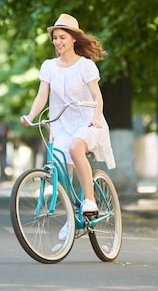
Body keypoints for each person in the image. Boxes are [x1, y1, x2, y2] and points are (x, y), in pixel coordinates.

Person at [20, 13, 116, 216]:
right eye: (55, 38)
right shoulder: (48, 66)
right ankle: (72, 220)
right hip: (61, 124)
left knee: (75, 147)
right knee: (60, 168)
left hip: (87, 122)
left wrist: (97, 117)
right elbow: (41, 96)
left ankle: (90, 201)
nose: (57, 41)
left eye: (62, 37)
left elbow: (97, 97)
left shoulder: (85, 65)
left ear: (73, 38)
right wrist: (30, 117)